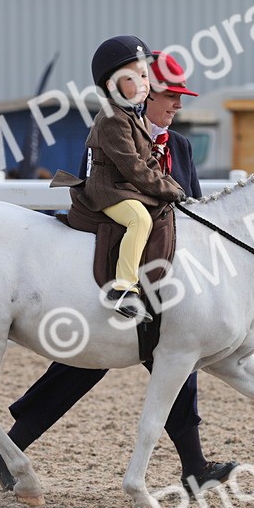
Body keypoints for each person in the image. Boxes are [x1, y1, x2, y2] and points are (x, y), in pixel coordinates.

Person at [0, 47, 237, 494]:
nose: (178, 106)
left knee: (172, 360)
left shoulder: (179, 146)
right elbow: (99, 193)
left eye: (180, 98)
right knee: (91, 362)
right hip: (109, 253)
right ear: (148, 94)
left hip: (166, 265)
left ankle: (193, 464)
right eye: (171, 97)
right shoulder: (115, 127)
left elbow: (192, 206)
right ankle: (14, 442)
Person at [83, 35, 185, 322]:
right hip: (109, 190)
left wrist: (171, 185)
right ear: (111, 86)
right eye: (133, 77)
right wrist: (165, 189)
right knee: (139, 219)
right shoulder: (112, 118)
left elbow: (149, 160)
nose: (142, 83)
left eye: (144, 75)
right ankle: (123, 288)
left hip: (125, 187)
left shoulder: (135, 116)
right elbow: (132, 166)